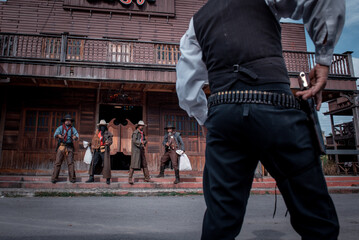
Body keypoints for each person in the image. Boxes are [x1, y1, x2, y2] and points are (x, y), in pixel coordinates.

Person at [176, 0, 345, 239]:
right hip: (275, 107)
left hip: (224, 115)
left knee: (220, 219)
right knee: (315, 216)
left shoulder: (197, 21)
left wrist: (205, 119)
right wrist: (323, 59)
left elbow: (185, 87)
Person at [51, 114, 79, 184]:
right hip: (61, 146)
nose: (68, 122)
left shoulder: (73, 129)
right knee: (58, 163)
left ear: (70, 122)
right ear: (64, 121)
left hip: (69, 147)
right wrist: (59, 136)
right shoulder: (60, 128)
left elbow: (77, 135)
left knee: (71, 163)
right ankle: (54, 178)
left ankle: (72, 178)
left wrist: (75, 137)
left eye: (69, 120)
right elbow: (55, 134)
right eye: (67, 120)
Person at [86, 120, 113, 185]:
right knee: (93, 163)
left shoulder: (108, 133)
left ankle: (107, 178)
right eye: (101, 126)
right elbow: (93, 140)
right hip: (97, 150)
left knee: (106, 164)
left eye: (103, 126)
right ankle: (91, 177)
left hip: (104, 150)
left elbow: (110, 141)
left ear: (105, 127)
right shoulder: (97, 133)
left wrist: (108, 142)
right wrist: (91, 144)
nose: (102, 128)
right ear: (100, 127)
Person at [128, 120, 150, 184]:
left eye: (142, 126)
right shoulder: (135, 132)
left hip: (141, 149)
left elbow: (145, 140)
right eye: (141, 125)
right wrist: (141, 143)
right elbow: (134, 141)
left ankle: (147, 177)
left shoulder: (142, 133)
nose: (142, 127)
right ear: (138, 126)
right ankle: (130, 178)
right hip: (136, 150)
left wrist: (144, 142)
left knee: (144, 163)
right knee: (133, 164)